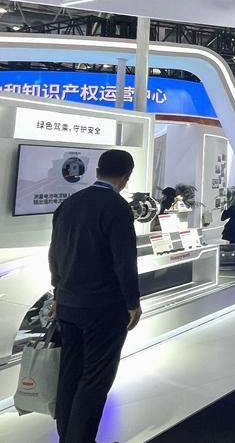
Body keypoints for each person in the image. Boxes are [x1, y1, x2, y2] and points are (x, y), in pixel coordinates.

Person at [49, 149, 142, 443]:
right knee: (95, 379)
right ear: (126, 177)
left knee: (69, 374)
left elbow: (54, 254)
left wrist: (58, 292)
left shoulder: (69, 203)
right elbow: (124, 261)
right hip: (103, 308)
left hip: (68, 303)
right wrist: (133, 303)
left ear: (98, 170)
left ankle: (67, 438)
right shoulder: (117, 208)